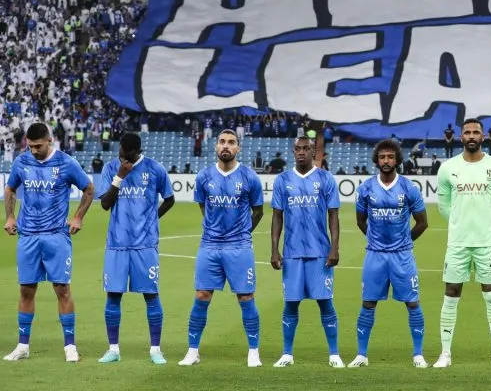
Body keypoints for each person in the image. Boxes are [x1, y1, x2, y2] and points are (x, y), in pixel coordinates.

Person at [3, 123, 95, 363]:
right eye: (30, 146)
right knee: (26, 289)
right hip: (28, 235)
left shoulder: (66, 163)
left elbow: (89, 189)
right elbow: (10, 188)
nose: (33, 150)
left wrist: (78, 217)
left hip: (56, 236)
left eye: (38, 146)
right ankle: (23, 346)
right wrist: (10, 216)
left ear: (49, 140)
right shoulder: (22, 162)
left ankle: (70, 346)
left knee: (62, 289)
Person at [178, 129, 265, 367]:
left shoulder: (249, 177)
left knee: (246, 296)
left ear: (238, 148)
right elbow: (203, 208)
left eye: (231, 142)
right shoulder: (204, 177)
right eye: (222, 142)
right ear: (216, 146)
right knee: (201, 295)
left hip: (239, 246)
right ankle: (193, 351)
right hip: (210, 245)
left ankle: (253, 352)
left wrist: (244, 232)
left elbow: (258, 211)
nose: (226, 146)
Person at [433, 117, 491, 369]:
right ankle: (445, 353)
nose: (472, 136)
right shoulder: (447, 168)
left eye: (476, 132)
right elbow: (444, 206)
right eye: (467, 132)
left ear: (483, 136)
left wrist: (486, 226)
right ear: (460, 137)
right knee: (451, 296)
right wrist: (460, 224)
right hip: (457, 243)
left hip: (487, 243)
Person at [94, 133, 177, 364]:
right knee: (113, 295)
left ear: (136, 151)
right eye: (120, 152)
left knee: (151, 294)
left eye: (125, 153)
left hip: (145, 245)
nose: (121, 157)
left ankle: (155, 350)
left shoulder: (154, 169)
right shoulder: (112, 168)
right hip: (117, 244)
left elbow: (169, 199)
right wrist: (119, 177)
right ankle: (113, 349)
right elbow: (104, 204)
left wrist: (153, 219)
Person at [351, 139, 430, 368]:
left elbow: (422, 223)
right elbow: (360, 220)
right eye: (382, 157)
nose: (386, 161)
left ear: (397, 160)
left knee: (412, 303)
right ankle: (361, 355)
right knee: (368, 303)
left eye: (390, 157)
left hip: (402, 256)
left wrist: (404, 242)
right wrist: (375, 240)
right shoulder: (366, 188)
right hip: (375, 255)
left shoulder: (408, 188)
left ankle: (418, 355)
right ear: (377, 160)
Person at [269, 136, 343, 368]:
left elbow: (333, 215)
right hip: (292, 253)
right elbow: (277, 216)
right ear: (293, 152)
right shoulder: (283, 180)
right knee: (291, 303)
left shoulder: (325, 178)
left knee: (325, 302)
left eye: (306, 149)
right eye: (297, 149)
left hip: (320, 252)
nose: (301, 152)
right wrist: (274, 249)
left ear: (314, 152)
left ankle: (334, 354)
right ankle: (287, 353)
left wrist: (334, 247)